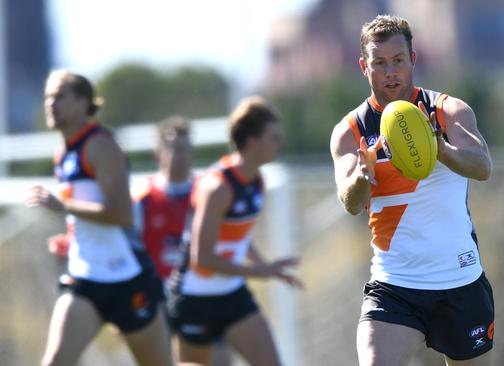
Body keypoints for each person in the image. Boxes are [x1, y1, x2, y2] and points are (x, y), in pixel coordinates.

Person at [329, 15, 495, 366]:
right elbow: (350, 202)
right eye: (379, 63)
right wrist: (363, 176)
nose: (390, 72)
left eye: (398, 61)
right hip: (395, 284)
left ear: (413, 60)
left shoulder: (447, 110)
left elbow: (483, 166)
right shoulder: (350, 131)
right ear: (364, 66)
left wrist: (443, 150)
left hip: (459, 279)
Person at [25, 70, 173, 366]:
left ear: (84, 102)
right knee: (55, 361)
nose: (50, 104)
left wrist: (64, 205)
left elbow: (121, 214)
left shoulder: (100, 145)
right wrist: (72, 238)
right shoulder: (63, 153)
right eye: (47, 97)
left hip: (126, 277)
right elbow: (89, 212)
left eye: (59, 96)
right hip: (85, 278)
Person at [167, 96, 302, 366]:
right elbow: (202, 258)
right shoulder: (217, 187)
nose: (281, 144)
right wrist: (257, 272)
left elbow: (238, 235)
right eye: (273, 137)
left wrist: (265, 265)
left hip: (232, 295)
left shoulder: (256, 182)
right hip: (195, 300)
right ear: (252, 142)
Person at [132, 115, 232, 365]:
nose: (181, 156)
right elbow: (128, 250)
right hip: (158, 302)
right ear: (159, 154)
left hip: (199, 297)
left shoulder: (208, 192)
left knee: (219, 360)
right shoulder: (142, 199)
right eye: (175, 149)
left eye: (186, 150)